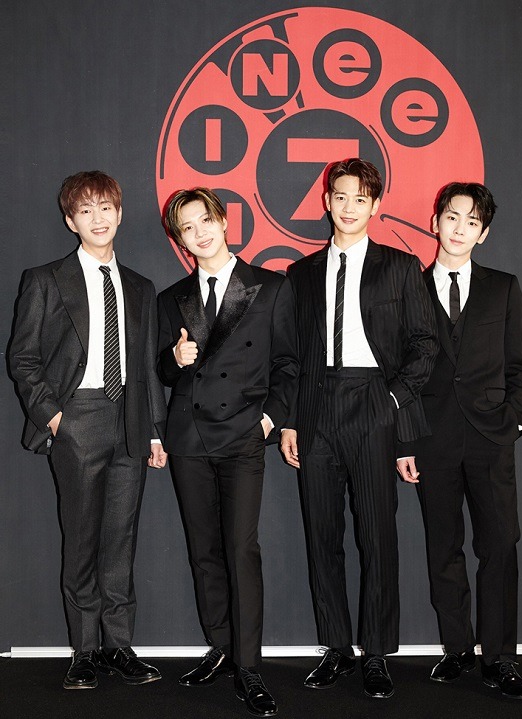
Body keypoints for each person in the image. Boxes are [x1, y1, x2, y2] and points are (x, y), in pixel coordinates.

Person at [281, 158, 438, 699]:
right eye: (341, 196)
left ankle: (375, 652)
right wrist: (291, 419)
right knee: (321, 535)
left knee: (377, 535)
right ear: (327, 201)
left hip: (373, 400)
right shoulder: (301, 274)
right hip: (316, 407)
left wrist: (391, 400)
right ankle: (336, 648)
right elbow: (291, 355)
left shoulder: (400, 266)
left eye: (361, 198)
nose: (349, 207)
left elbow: (424, 345)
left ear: (376, 205)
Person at [9, 171, 167, 690]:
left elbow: (145, 368)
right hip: (77, 417)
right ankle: (84, 650)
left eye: (105, 208)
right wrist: (55, 416)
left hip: (130, 421)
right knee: (81, 540)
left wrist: (154, 432)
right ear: (70, 221)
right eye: (85, 210)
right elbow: (22, 358)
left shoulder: (141, 287)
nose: (97, 219)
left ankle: (118, 646)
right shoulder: (46, 279)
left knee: (121, 540)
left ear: (119, 214)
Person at [158, 187, 298, 717]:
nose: (199, 233)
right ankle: (220, 646)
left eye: (205, 220)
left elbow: (288, 365)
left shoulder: (270, 286)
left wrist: (268, 420)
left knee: (241, 549)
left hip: (242, 435)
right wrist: (174, 359)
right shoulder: (172, 297)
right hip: (189, 436)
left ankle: (249, 665)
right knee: (204, 550)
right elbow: (160, 372)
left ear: (223, 220)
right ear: (180, 239)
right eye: (187, 227)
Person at [397, 182, 522, 699]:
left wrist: (513, 421)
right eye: (452, 217)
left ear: (484, 233)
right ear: (435, 222)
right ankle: (457, 649)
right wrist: (404, 442)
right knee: (443, 546)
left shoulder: (503, 288)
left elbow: (519, 365)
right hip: (431, 440)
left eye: (471, 222)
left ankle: (500, 657)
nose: (459, 228)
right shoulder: (409, 290)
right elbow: (401, 373)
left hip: (490, 438)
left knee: (500, 545)